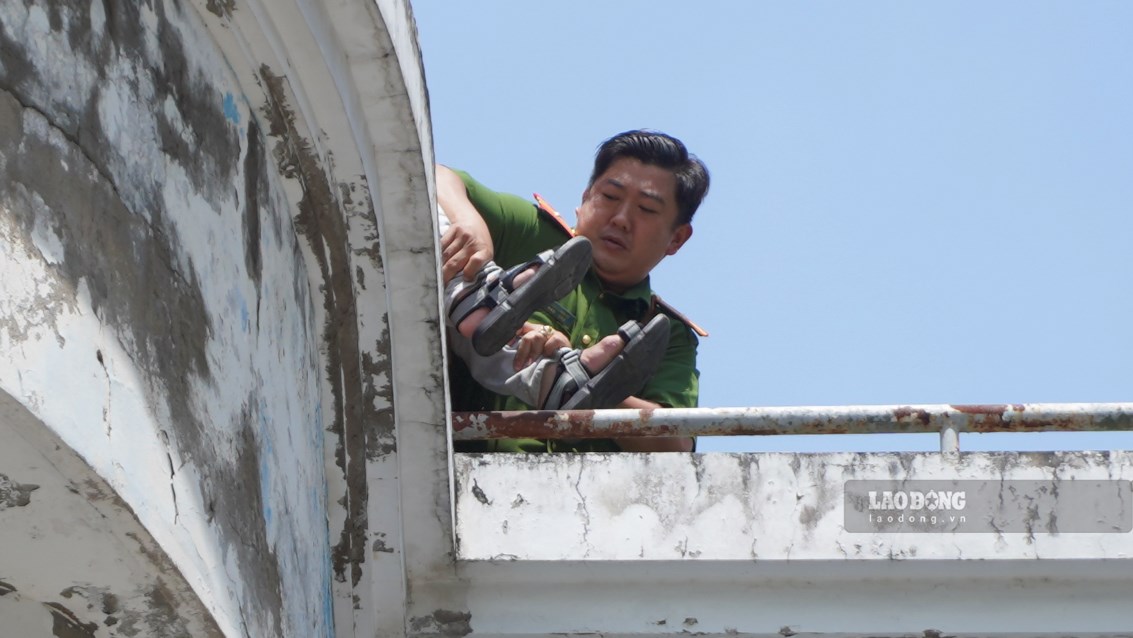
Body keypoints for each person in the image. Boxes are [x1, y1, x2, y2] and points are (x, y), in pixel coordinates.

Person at [440, 130, 709, 453]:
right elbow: (435, 177)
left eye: (647, 209)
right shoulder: (533, 235)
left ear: (677, 238)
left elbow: (675, 445)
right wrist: (471, 223)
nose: (621, 219)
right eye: (610, 197)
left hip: (580, 485)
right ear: (585, 197)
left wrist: (595, 384)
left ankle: (557, 378)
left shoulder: (664, 332)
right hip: (462, 466)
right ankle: (484, 300)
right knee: (427, 219)